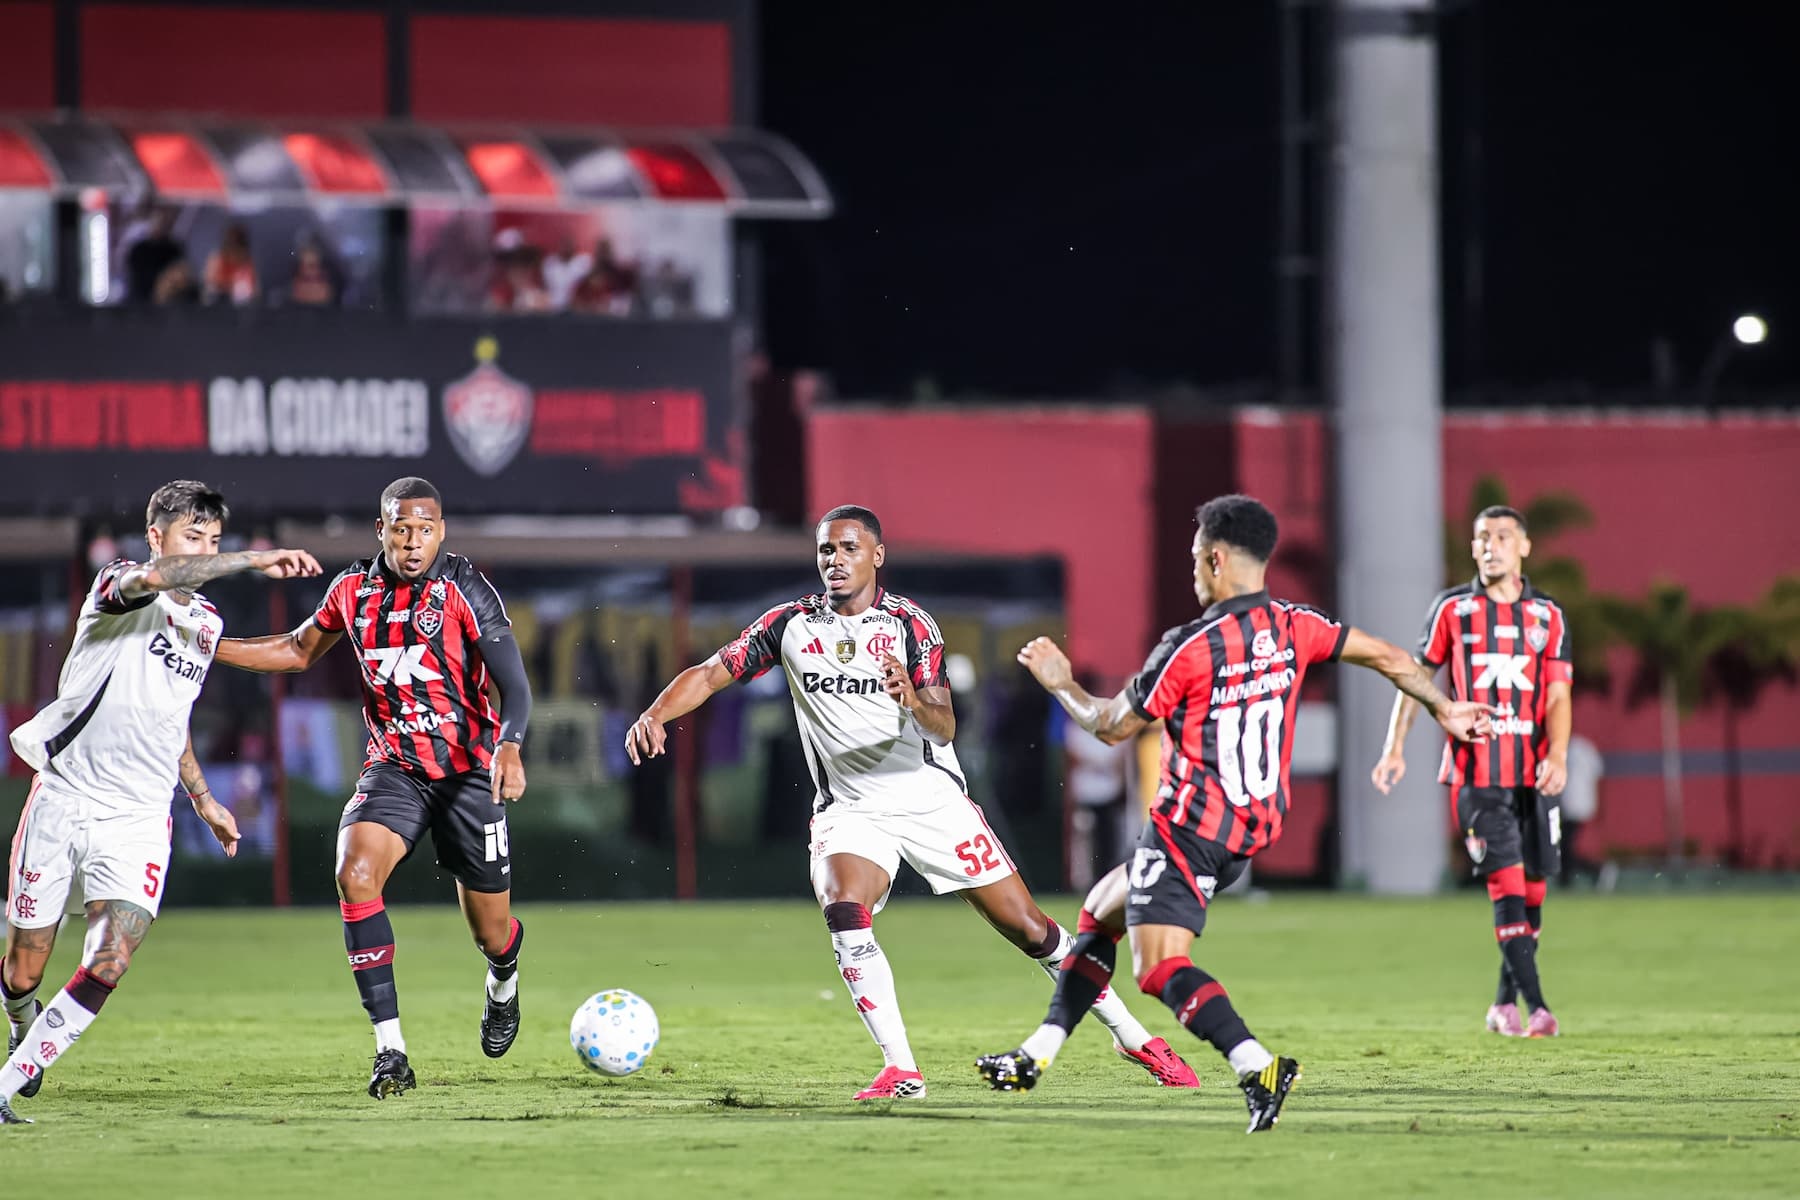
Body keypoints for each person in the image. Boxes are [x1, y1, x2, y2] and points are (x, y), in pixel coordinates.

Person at [625, 504, 1199, 1100]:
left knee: (1031, 930)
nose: (835, 560)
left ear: (876, 556)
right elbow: (713, 671)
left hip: (929, 800)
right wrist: (656, 712)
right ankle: (901, 1068)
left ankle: (1134, 1038)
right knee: (844, 906)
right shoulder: (788, 624)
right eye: (826, 549)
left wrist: (911, 699)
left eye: (849, 549)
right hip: (849, 808)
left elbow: (945, 726)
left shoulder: (911, 626)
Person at [976, 495, 1493, 1133]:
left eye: (1196, 557)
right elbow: (1389, 656)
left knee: (1159, 966)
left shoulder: (1192, 646)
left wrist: (1060, 681)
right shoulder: (1295, 625)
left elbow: (1111, 726)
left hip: (1187, 829)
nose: (1193, 570)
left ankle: (1257, 1066)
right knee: (1100, 912)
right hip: (1245, 836)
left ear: (1216, 559)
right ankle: (1036, 1055)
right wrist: (1445, 710)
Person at [1, 481, 321, 1126]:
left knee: (110, 956)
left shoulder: (206, 623)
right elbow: (161, 577)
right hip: (66, 796)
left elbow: (170, 720)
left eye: (214, 541)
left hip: (142, 816)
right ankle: (21, 1019)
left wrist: (203, 798)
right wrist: (254, 561)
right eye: (192, 538)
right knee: (23, 968)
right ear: (157, 537)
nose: (204, 552)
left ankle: (9, 1081)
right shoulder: (117, 588)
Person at [213, 477, 534, 1099]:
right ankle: (391, 1050)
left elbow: (514, 685)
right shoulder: (352, 592)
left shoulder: (466, 589)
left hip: (470, 772)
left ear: (441, 531)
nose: (414, 542)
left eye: (426, 530)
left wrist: (511, 744)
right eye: (401, 529)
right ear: (381, 530)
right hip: (395, 769)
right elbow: (297, 650)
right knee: (354, 874)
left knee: (491, 932)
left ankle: (503, 979)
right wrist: (209, 647)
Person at [1370, 504, 1573, 1039]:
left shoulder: (1548, 617)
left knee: (1532, 897)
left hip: (1533, 777)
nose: (1491, 545)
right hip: (1476, 775)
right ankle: (1539, 1008)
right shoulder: (1453, 611)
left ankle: (1503, 1005)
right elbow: (1416, 679)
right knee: (1506, 889)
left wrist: (1557, 756)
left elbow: (1557, 695)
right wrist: (1395, 749)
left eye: (1503, 536)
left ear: (1524, 546)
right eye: (1482, 536)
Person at [204, 222, 259, 306]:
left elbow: (255, 291)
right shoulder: (218, 260)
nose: (235, 254)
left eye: (238, 248)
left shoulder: (248, 263)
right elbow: (210, 286)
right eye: (231, 246)